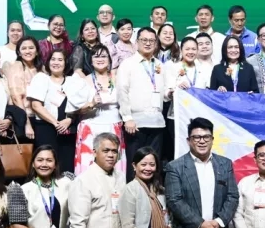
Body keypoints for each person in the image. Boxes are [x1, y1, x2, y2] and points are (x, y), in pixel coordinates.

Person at [116, 28, 167, 179]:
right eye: (144, 40)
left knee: (153, 163)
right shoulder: (128, 64)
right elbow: (122, 91)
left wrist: (170, 93)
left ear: (156, 43)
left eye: (151, 40)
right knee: (136, 162)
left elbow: (163, 93)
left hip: (157, 123)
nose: (148, 43)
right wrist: (127, 118)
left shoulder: (159, 65)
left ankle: (152, 196)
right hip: (135, 124)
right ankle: (134, 198)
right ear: (136, 42)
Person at [68, 44, 125, 175]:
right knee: (89, 167)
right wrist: (91, 104)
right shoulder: (83, 81)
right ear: (91, 60)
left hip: (114, 126)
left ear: (110, 60)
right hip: (90, 127)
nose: (100, 59)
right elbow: (74, 111)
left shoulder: (117, 78)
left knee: (114, 166)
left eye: (104, 56)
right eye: (96, 56)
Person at [28, 50, 78, 172]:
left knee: (66, 165)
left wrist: (69, 120)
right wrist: (55, 123)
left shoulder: (73, 81)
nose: (56, 63)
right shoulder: (41, 78)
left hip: (68, 130)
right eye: (53, 59)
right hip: (46, 128)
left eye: (60, 60)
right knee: (46, 164)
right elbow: (36, 106)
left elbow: (80, 105)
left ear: (66, 63)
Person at [5, 36, 43, 141]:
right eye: (24, 48)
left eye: (31, 48)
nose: (28, 51)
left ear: (37, 51)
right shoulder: (17, 66)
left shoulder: (42, 69)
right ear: (19, 52)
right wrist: (27, 124)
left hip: (41, 117)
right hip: (24, 117)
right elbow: (16, 97)